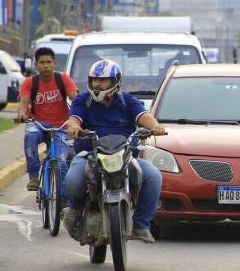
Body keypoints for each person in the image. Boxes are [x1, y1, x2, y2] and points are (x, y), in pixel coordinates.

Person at [63, 60, 167, 244]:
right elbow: (74, 119)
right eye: (94, 80)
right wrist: (73, 127)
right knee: (72, 179)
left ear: (115, 82)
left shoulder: (127, 101)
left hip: (123, 157)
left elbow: (143, 117)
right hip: (90, 155)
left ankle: (141, 225)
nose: (97, 84)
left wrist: (155, 126)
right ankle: (75, 209)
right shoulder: (83, 100)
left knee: (153, 176)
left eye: (103, 81)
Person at [15, 47, 79, 191]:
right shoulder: (29, 82)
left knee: (61, 162)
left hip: (61, 125)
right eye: (42, 62)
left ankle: (62, 196)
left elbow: (75, 99)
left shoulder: (63, 79)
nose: (45, 65)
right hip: (38, 124)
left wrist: (77, 117)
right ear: (36, 65)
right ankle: (33, 176)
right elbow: (23, 103)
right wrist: (21, 114)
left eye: (49, 62)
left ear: (54, 63)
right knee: (30, 135)